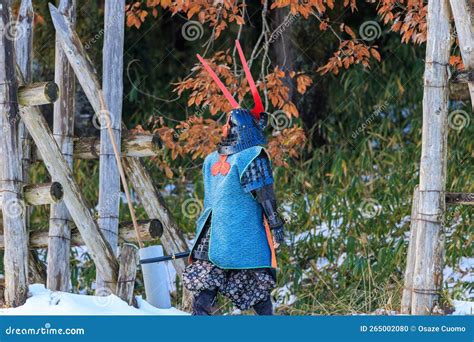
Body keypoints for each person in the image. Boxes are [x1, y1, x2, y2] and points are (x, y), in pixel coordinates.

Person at [183, 41, 285, 315]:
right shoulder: (252, 155)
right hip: (241, 233)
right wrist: (276, 224)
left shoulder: (211, 159)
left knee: (206, 291)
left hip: (212, 234)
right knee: (258, 290)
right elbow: (263, 193)